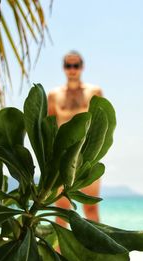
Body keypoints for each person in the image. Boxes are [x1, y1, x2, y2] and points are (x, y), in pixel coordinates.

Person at [48, 51, 103, 227]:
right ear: (64, 68)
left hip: (87, 155)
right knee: (62, 210)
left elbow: (101, 124)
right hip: (62, 156)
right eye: (68, 66)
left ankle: (94, 252)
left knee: (91, 208)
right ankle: (57, 254)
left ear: (82, 67)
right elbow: (49, 128)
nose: (72, 69)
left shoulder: (94, 92)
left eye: (76, 65)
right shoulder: (54, 95)